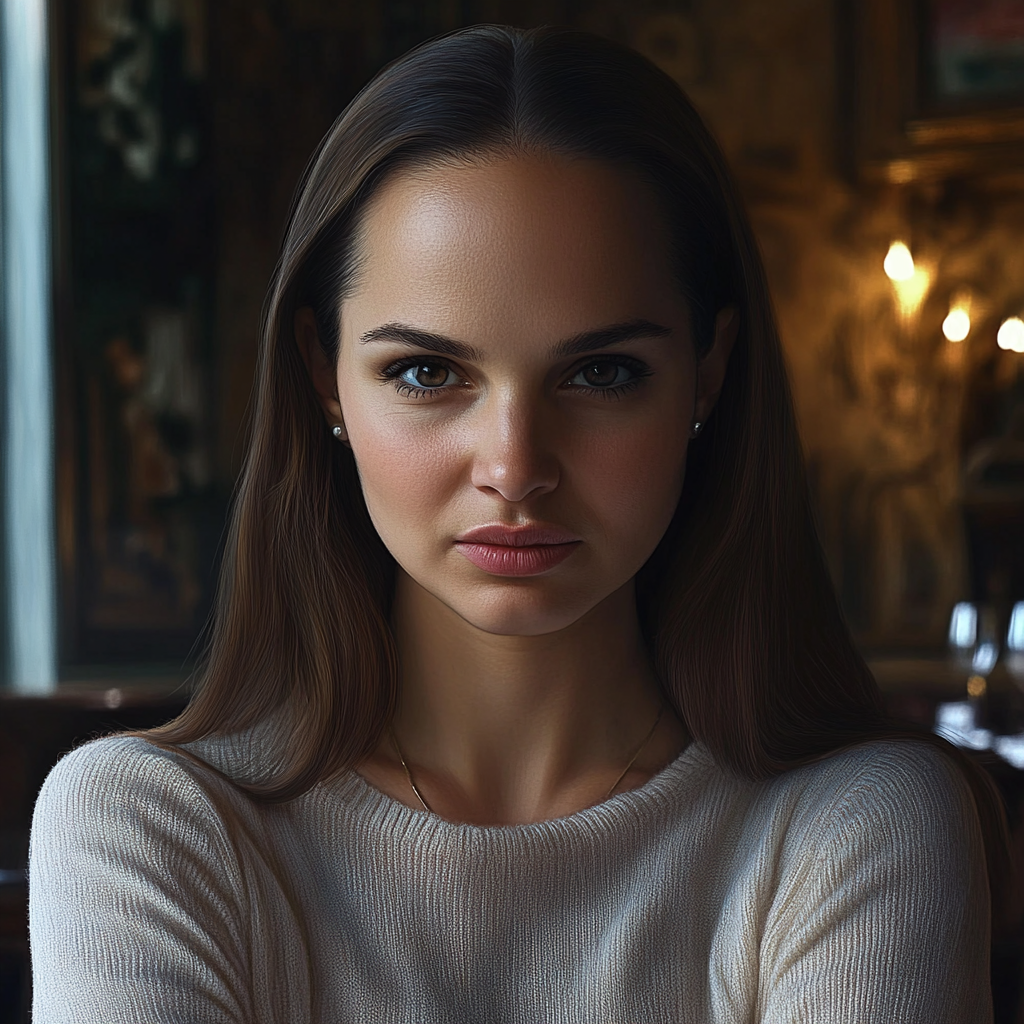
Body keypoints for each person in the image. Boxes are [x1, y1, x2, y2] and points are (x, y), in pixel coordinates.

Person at [30, 24, 1006, 1023]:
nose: (515, 467)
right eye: (427, 373)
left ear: (707, 372)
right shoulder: (153, 830)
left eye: (599, 373)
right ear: (325, 378)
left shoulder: (855, 830)